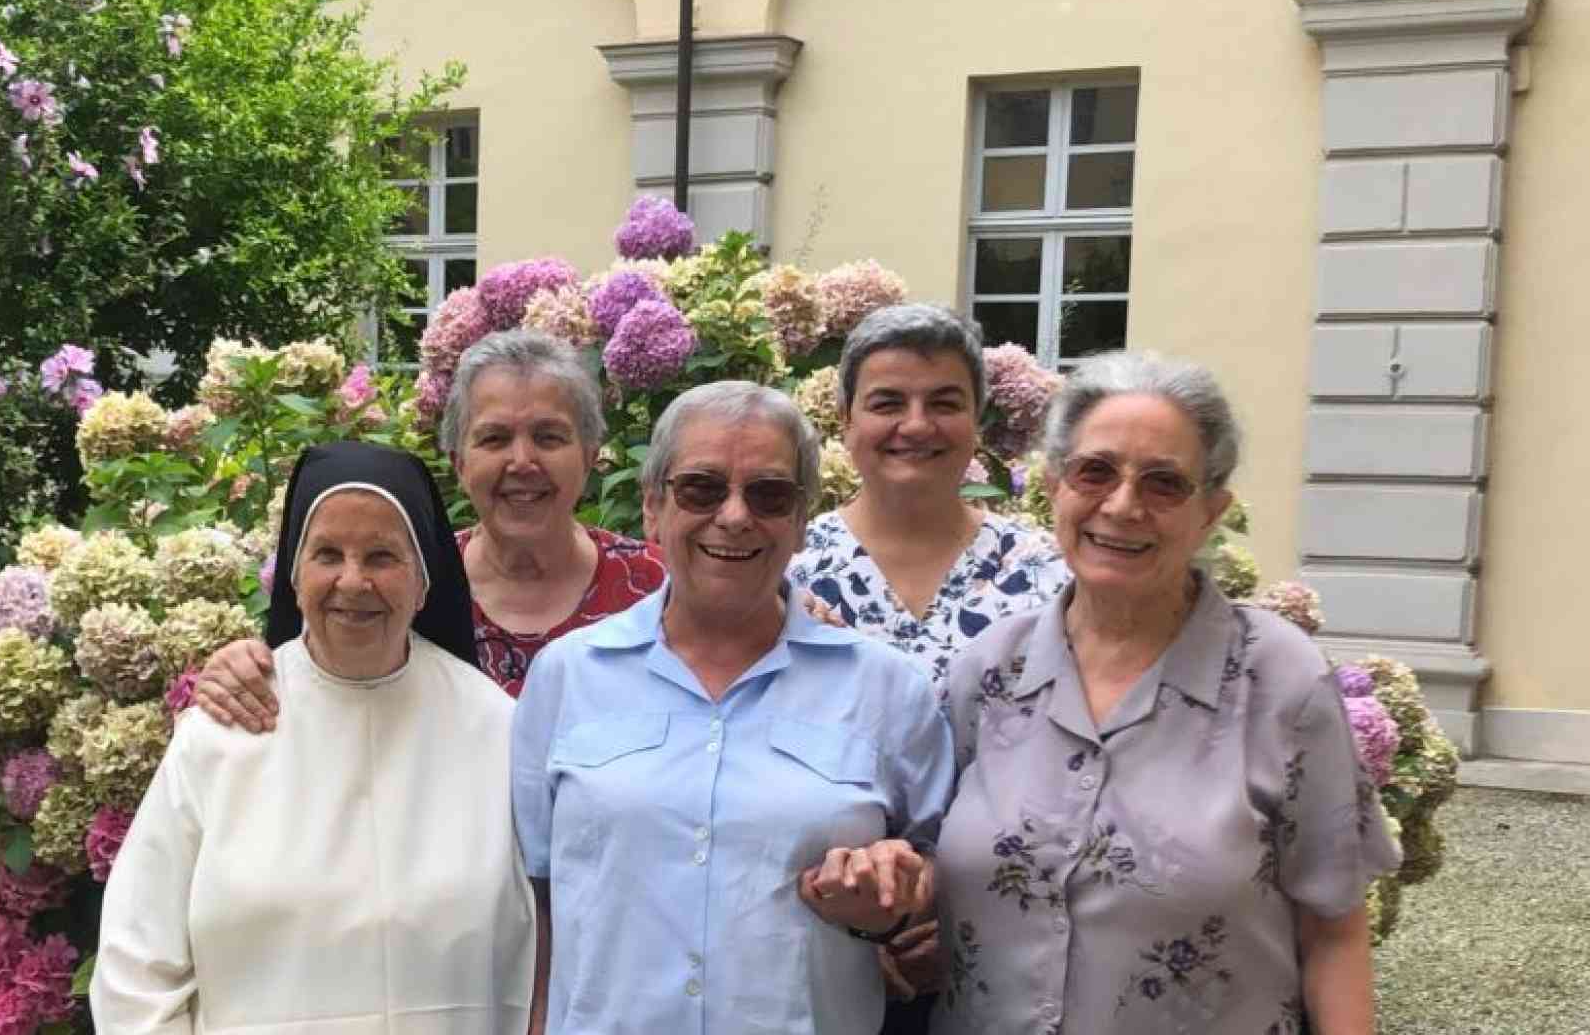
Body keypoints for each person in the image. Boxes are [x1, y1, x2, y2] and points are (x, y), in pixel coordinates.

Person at [931, 352, 1400, 1035]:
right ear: (1055, 487)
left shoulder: (1280, 680)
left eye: (1164, 484)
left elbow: (1334, 929)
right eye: (1095, 472)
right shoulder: (990, 670)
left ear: (1211, 512)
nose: (1123, 506)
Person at [511, 381, 956, 1035]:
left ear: (801, 521)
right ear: (653, 506)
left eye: (769, 495)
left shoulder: (887, 690)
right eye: (701, 488)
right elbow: (536, 899)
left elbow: (943, 872)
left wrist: (903, 893)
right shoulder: (567, 676)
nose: (735, 515)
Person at [92, 442, 538, 1033]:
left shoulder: (495, 727)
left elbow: (548, 939)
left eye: (382, 556)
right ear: (295, 575)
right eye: (328, 554)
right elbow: (136, 967)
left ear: (424, 581)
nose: (353, 581)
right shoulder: (223, 729)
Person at [785, 303, 1070, 1029]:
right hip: (817, 937)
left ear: (977, 421)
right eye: (888, 403)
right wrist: (863, 931)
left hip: (1009, 938)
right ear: (846, 421)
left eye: (944, 403)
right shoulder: (790, 571)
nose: (916, 425)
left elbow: (1076, 765)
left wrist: (966, 920)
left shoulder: (1046, 578)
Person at [192, 330, 666, 729]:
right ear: (459, 462)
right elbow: (311, 672)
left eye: (548, 437)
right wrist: (241, 668)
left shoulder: (658, 587)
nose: (522, 461)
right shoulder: (399, 577)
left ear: (589, 456)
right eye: (494, 438)